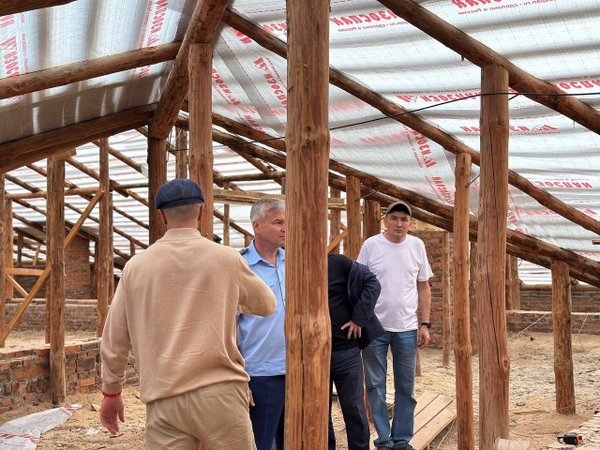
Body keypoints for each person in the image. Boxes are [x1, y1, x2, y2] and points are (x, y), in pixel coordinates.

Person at [99, 179, 276, 450]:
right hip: (220, 393)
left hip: (164, 396)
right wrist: (225, 296)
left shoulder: (136, 267)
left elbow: (115, 339)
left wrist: (111, 392)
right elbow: (266, 304)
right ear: (202, 212)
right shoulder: (226, 259)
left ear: (162, 216)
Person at [357, 201, 433, 450]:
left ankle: (401, 440)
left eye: (404, 219)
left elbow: (423, 286)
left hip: (407, 328)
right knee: (375, 385)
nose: (399, 223)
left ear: (410, 224)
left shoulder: (417, 246)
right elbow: (358, 283)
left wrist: (425, 324)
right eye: (394, 218)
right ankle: (384, 440)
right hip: (374, 327)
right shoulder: (371, 245)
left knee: (406, 387)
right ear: (385, 221)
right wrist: (359, 319)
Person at [237, 198, 286, 450]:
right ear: (257, 226)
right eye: (278, 222)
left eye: (286, 222)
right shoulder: (241, 267)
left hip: (297, 370)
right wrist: (239, 378)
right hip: (260, 373)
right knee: (261, 443)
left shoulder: (295, 262)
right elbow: (228, 328)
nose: (284, 228)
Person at [327, 253, 383, 450]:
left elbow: (372, 284)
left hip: (346, 351)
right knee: (319, 411)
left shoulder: (336, 262)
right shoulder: (291, 268)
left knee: (354, 409)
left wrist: (359, 318)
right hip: (311, 355)